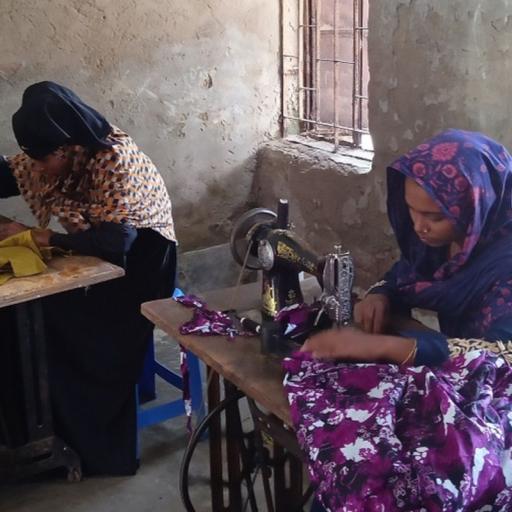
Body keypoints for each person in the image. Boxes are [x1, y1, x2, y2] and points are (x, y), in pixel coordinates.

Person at [294, 129, 512, 511]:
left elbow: (498, 353)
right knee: (352, 462)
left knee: (408, 484)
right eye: (411, 210)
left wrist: (383, 345)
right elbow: (404, 272)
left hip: (499, 397)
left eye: (433, 216)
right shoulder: (452, 237)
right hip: (455, 378)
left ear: (476, 204)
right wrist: (381, 292)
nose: (418, 226)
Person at [0, 81, 177, 475]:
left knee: (58, 324)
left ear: (64, 149)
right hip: (100, 254)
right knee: (27, 313)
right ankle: (31, 429)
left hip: (141, 266)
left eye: (44, 160)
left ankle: (85, 441)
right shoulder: (61, 145)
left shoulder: (113, 159)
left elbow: (116, 242)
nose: (39, 169)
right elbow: (11, 172)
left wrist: (40, 235)